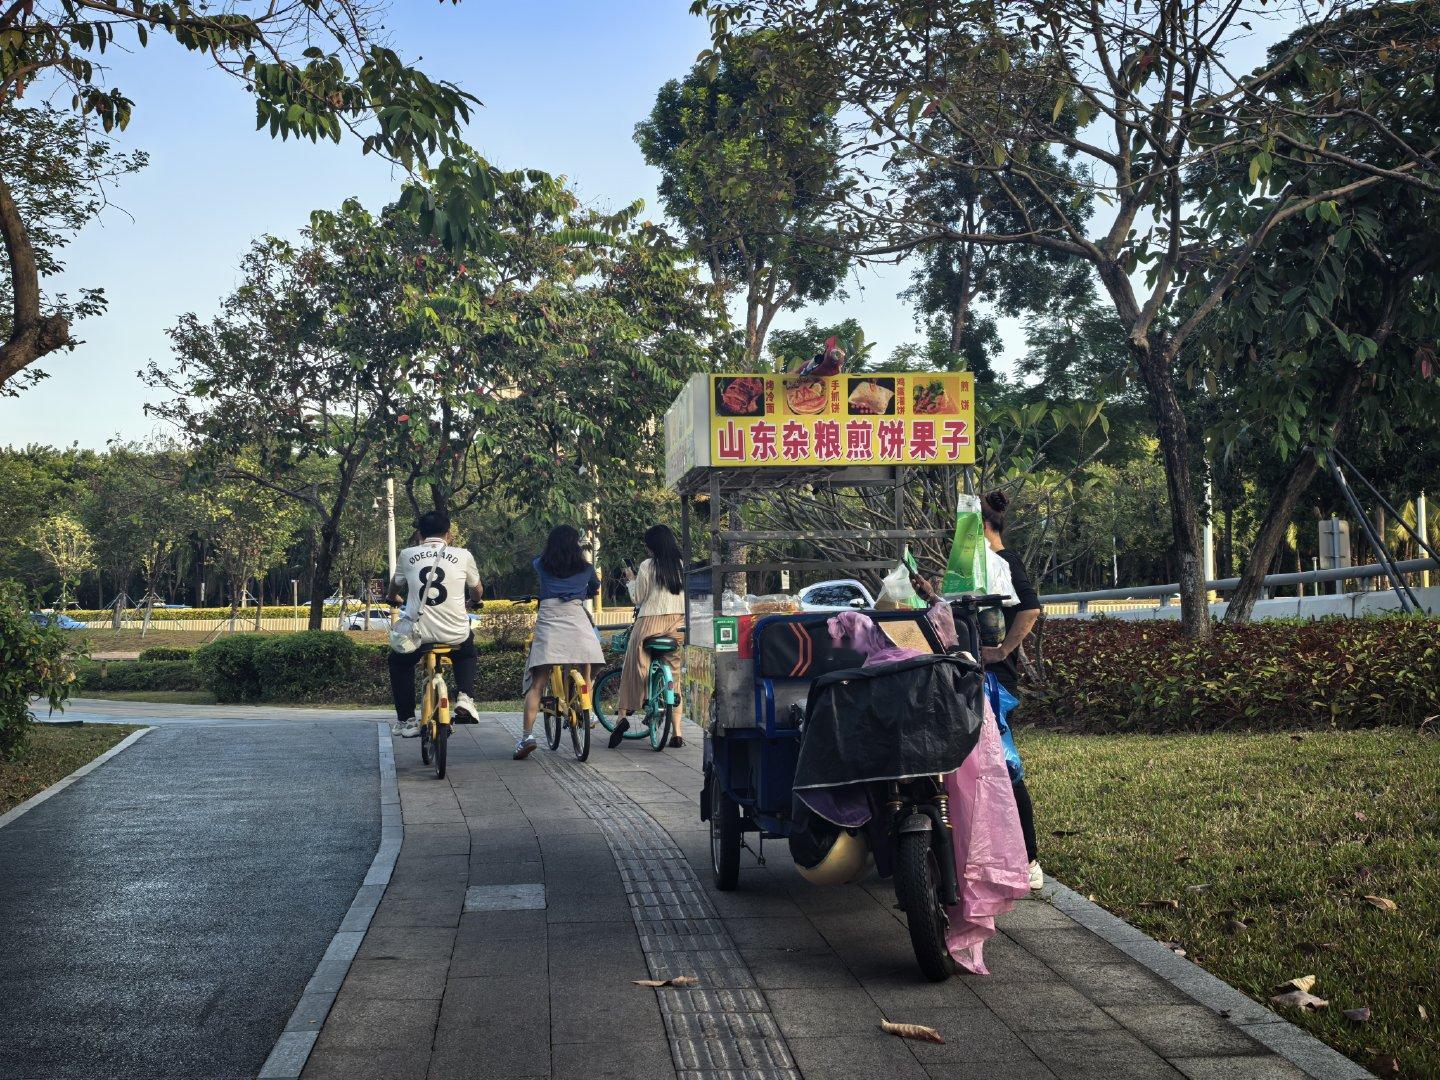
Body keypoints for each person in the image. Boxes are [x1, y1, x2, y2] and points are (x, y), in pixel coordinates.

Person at [979, 490, 1044, 891]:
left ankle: (1030, 859)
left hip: (996, 682)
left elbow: (1031, 607)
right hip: (971, 677)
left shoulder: (1005, 563)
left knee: (1005, 767)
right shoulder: (974, 569)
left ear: (981, 527)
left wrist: (1002, 650)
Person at [387, 509, 483, 738]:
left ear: (420, 534)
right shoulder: (463, 555)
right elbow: (477, 589)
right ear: (448, 535)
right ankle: (464, 697)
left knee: (398, 662)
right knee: (466, 651)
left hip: (417, 636)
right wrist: (475, 601)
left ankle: (407, 720)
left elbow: (395, 585)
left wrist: (393, 598)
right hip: (454, 633)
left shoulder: (407, 554)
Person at [515, 525, 605, 760]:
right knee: (587, 660)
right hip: (576, 618)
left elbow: (537, 563)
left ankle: (526, 737)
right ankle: (589, 709)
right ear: (576, 545)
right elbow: (595, 588)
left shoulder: (541, 564)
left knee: (538, 682)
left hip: (549, 620)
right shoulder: (586, 568)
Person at [608, 524, 686, 749]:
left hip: (650, 623)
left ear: (652, 546)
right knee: (673, 673)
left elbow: (638, 598)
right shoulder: (682, 566)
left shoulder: (647, 565)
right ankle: (677, 734)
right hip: (677, 624)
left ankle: (622, 717)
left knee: (634, 667)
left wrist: (631, 579)